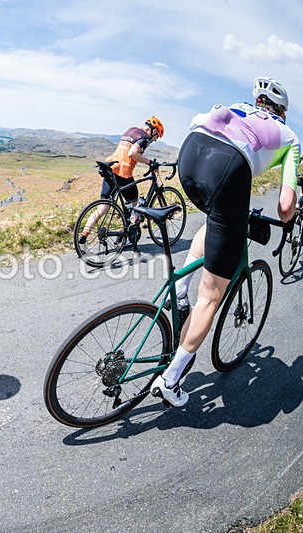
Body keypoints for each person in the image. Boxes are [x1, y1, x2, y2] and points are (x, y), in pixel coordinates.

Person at [151, 77, 300, 407]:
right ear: (282, 112)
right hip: (228, 168)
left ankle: (179, 290)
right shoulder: (289, 137)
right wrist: (288, 221)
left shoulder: (234, 107)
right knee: (212, 294)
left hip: (191, 153)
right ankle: (171, 380)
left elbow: (195, 123)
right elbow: (286, 206)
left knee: (215, 216)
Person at [78, 116, 164, 244]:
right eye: (156, 137)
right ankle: (122, 236)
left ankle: (84, 234)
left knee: (102, 208)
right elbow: (132, 154)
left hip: (110, 169)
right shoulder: (144, 138)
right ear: (154, 131)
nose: (154, 140)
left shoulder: (130, 131)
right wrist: (150, 163)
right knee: (135, 205)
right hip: (123, 174)